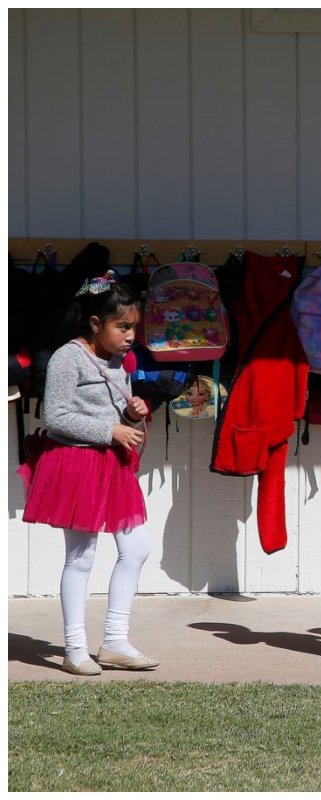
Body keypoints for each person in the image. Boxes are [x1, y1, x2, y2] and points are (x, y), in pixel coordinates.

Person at [18, 272, 156, 675]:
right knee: (81, 557)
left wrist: (131, 415)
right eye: (123, 326)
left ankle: (114, 640)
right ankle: (75, 647)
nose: (131, 335)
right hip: (77, 465)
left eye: (134, 326)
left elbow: (109, 410)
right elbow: (55, 415)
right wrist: (108, 429)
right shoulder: (66, 357)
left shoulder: (117, 362)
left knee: (136, 548)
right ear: (95, 323)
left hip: (112, 465)